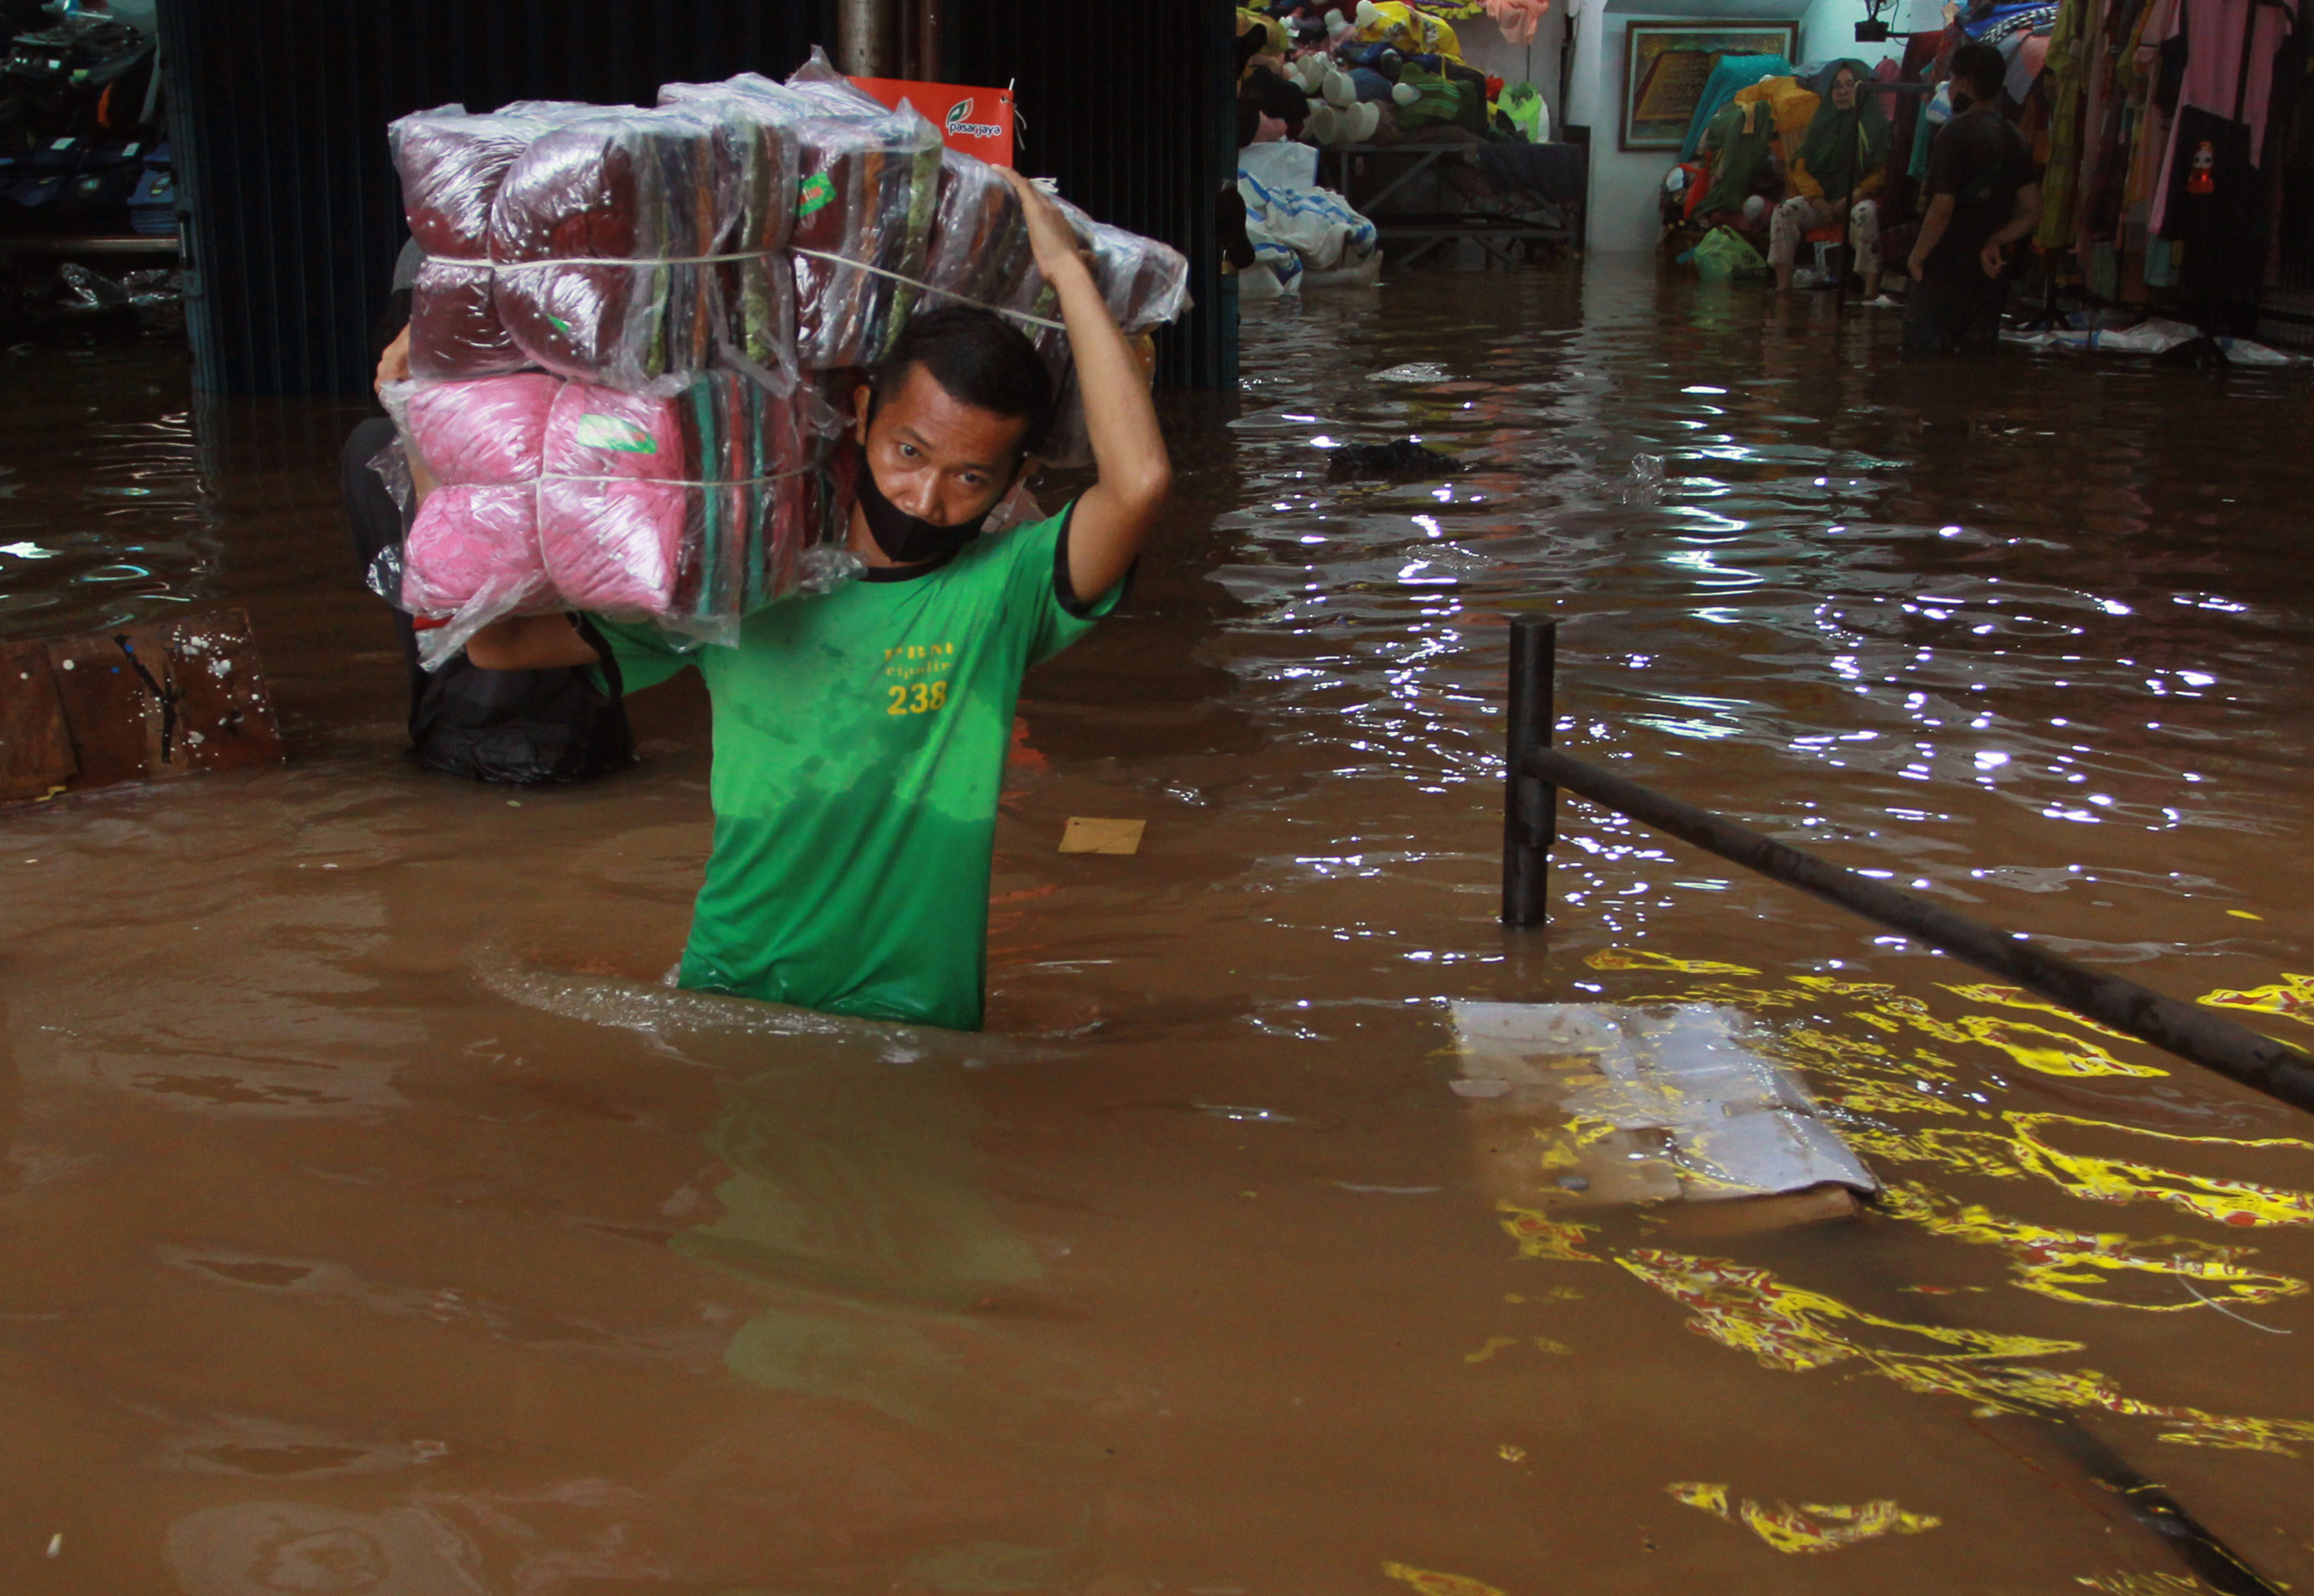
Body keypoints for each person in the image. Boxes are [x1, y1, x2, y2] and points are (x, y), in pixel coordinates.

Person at [460, 169, 1171, 1031]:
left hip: (913, 1026)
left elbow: (1139, 483)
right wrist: (436, 432)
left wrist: (1066, 272)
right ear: (863, 415)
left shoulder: (1004, 592)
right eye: (909, 452)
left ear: (1013, 479)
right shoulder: (742, 582)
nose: (925, 499)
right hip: (727, 1004)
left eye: (970, 477)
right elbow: (495, 643)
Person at [344, 240, 635, 786]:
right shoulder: (573, 425)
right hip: (584, 741)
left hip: (448, 732)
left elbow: (423, 594)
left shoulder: (370, 447)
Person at [1903, 40, 2041, 354]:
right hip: (1989, 277)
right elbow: (2032, 210)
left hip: (1945, 270)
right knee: (1975, 362)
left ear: (1964, 84)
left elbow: (1942, 209)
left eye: (1952, 80)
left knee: (1922, 363)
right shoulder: (2016, 138)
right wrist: (1996, 239)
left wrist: (1917, 256)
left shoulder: (1953, 135)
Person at [1768, 60, 1889, 297]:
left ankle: (1870, 291)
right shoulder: (1822, 122)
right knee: (1784, 212)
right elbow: (1801, 167)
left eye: (1850, 85)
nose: (1843, 91)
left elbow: (1882, 174)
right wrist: (1817, 200)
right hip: (1823, 202)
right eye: (1837, 86)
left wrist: (1852, 198)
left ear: (1861, 89)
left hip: (1858, 200)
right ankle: (1784, 286)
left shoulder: (1875, 124)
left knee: (1865, 214)